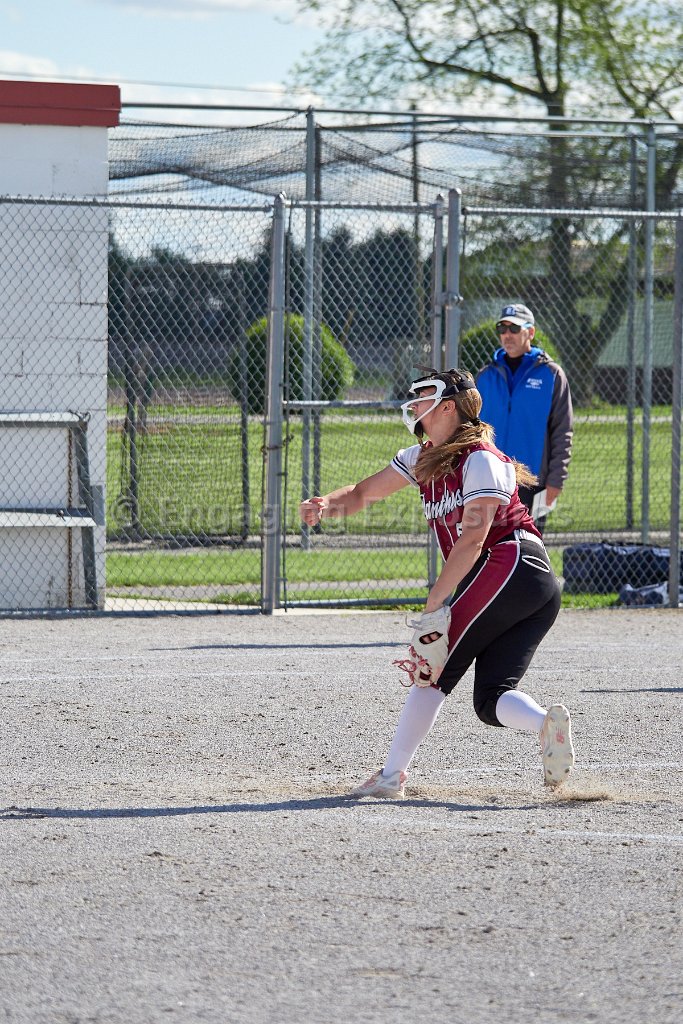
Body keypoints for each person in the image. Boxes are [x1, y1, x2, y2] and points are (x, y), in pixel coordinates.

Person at [299, 368, 575, 799]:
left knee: (431, 669)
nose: (414, 405)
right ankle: (545, 723)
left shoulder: (482, 459)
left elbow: (475, 538)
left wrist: (435, 603)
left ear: (449, 408)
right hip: (520, 582)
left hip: (512, 564)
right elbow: (361, 494)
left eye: (424, 398)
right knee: (490, 699)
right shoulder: (422, 458)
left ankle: (391, 776)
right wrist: (325, 504)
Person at [475, 303, 573, 533]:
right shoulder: (485, 376)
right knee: (485, 546)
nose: (507, 335)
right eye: (502, 328)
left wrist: (556, 481)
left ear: (530, 332)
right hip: (489, 479)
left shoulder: (551, 375)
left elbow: (562, 432)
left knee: (527, 547)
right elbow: (471, 429)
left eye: (514, 328)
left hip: (532, 483)